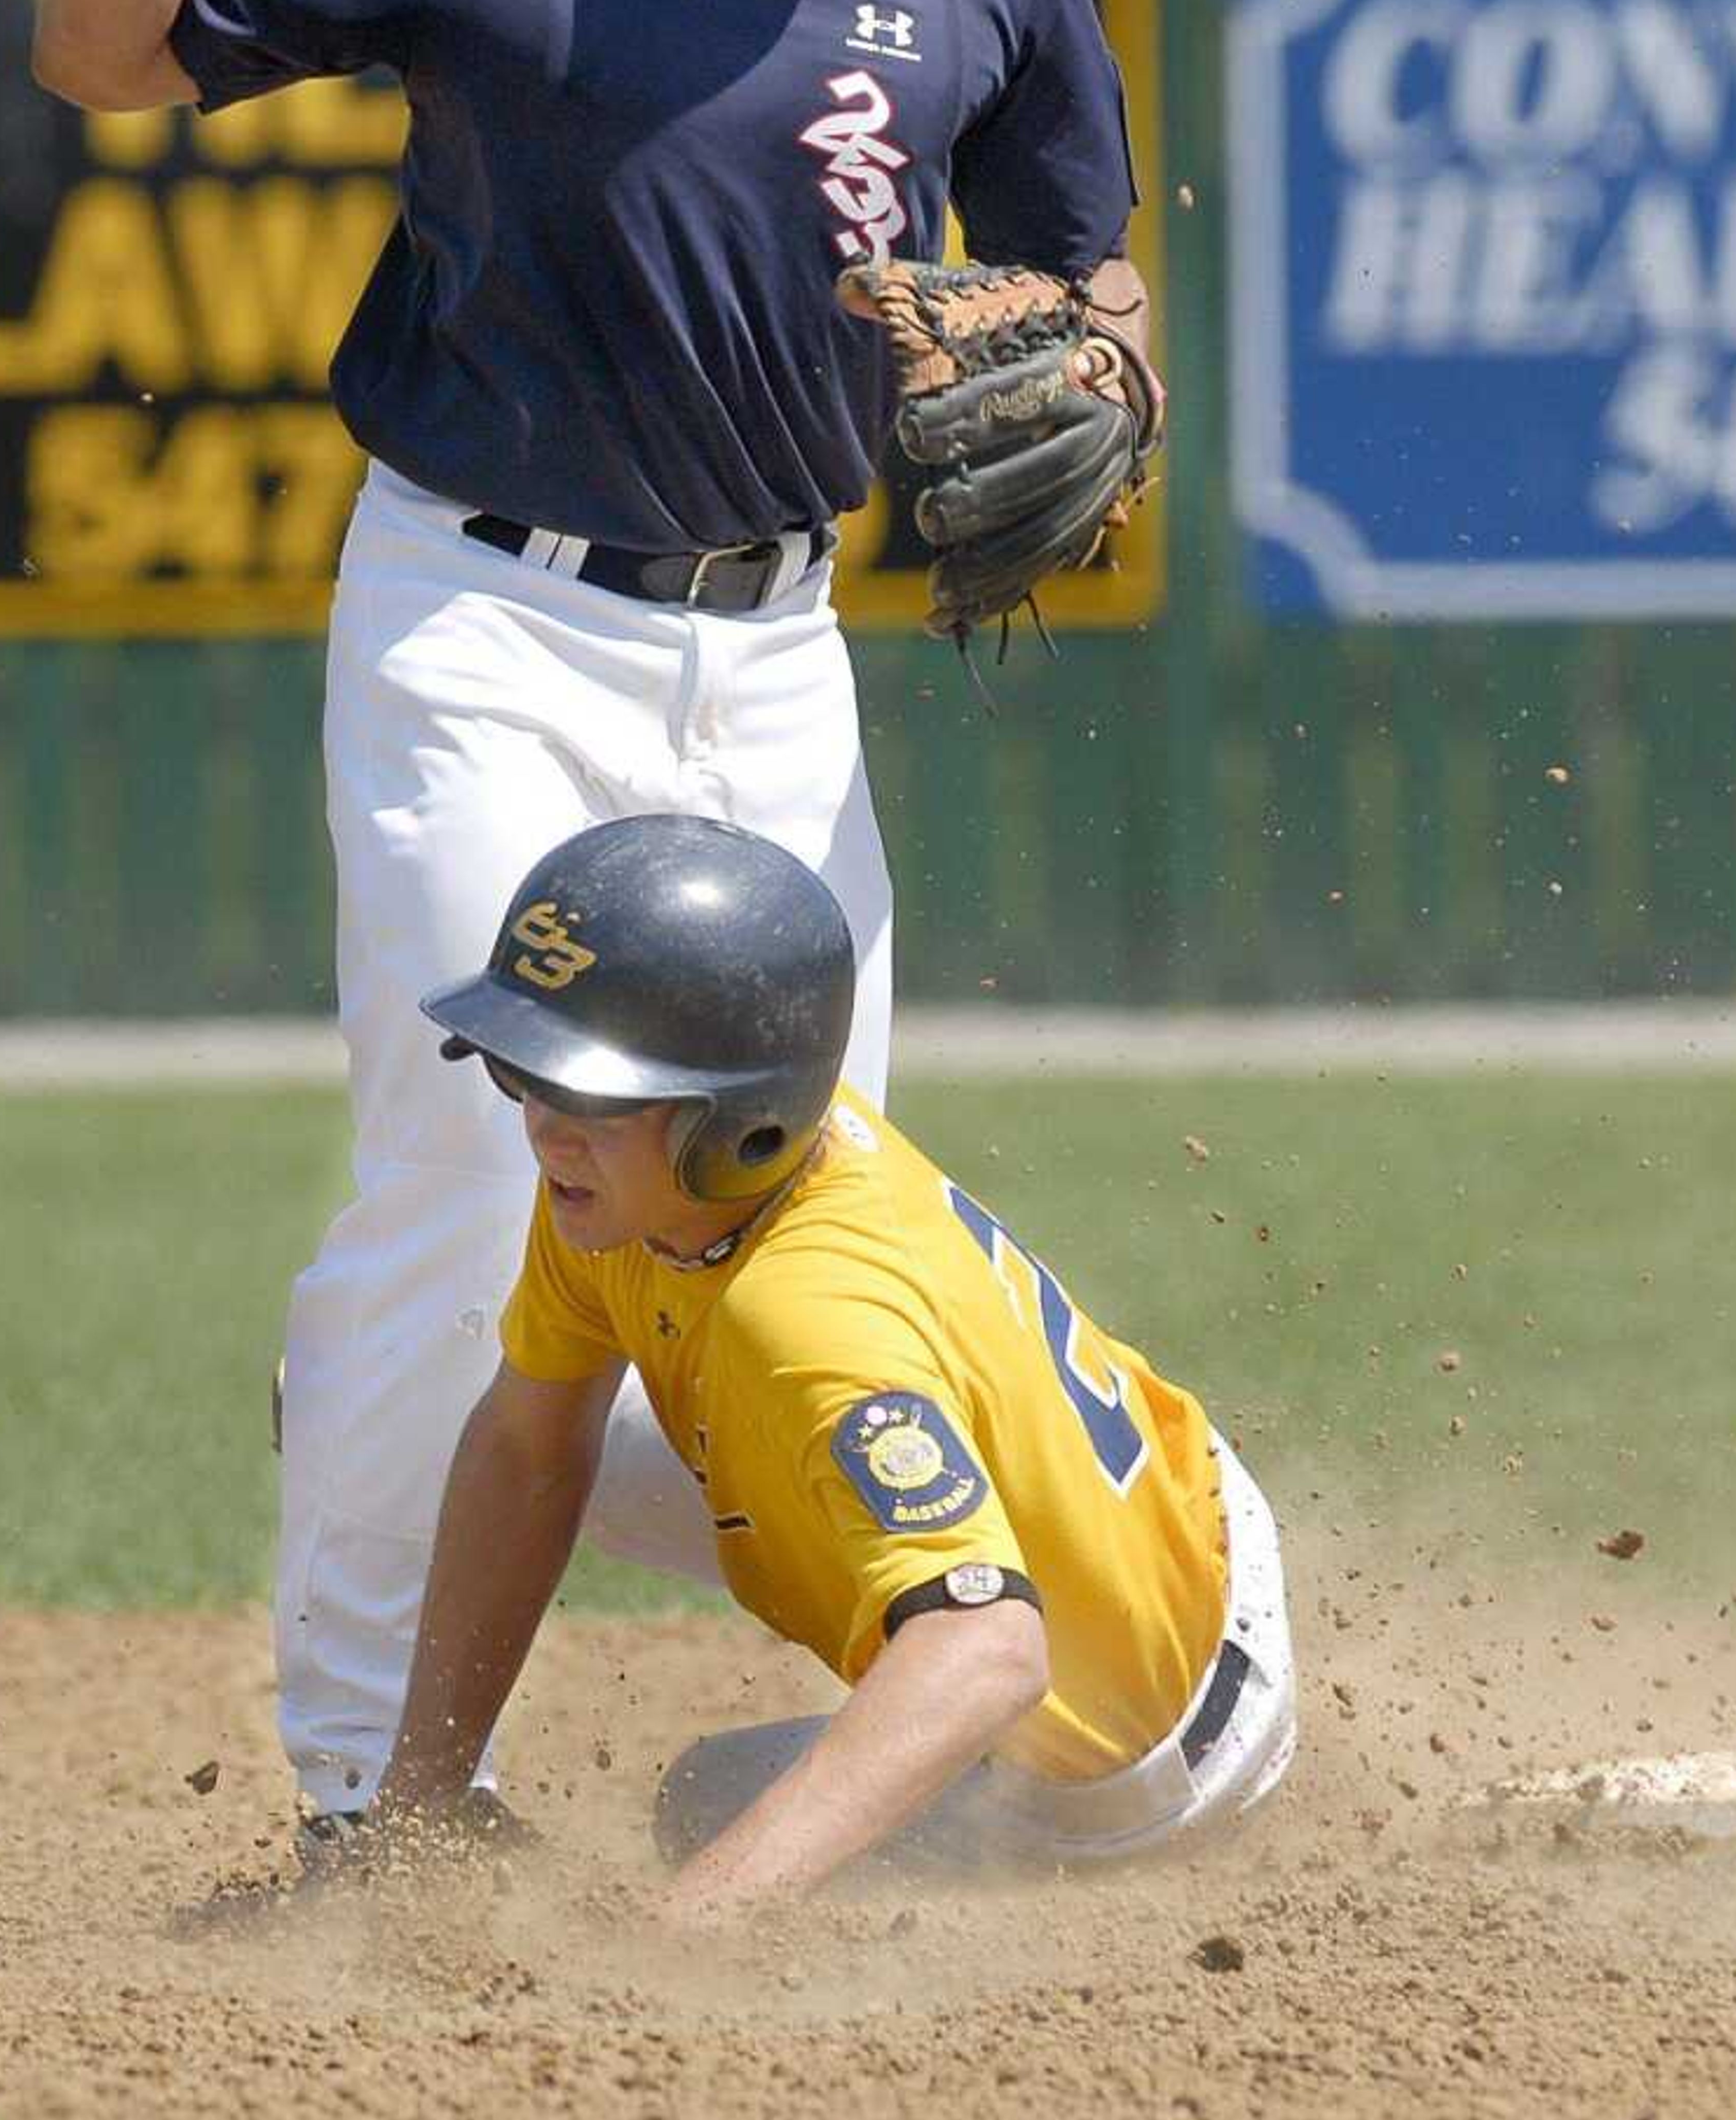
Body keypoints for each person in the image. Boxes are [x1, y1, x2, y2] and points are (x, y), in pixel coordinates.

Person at [30, 0, 1148, 1825]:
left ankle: (907, 1703)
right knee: (478, 1158)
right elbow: (103, 53)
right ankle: (371, 1804)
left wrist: (1084, 347)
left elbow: (1090, 271)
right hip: (485, 616)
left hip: (773, 652)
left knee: (787, 1204)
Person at [368, 815, 1294, 1911]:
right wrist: (411, 1814)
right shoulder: (641, 1189)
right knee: (475, 1423)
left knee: (714, 1811)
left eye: (595, 1096)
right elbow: (529, 1455)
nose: (546, 1129)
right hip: (1165, 1516)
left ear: (743, 1125)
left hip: (1143, 1746)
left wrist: (685, 1929)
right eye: (528, 1075)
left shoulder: (804, 1320)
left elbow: (991, 1648)